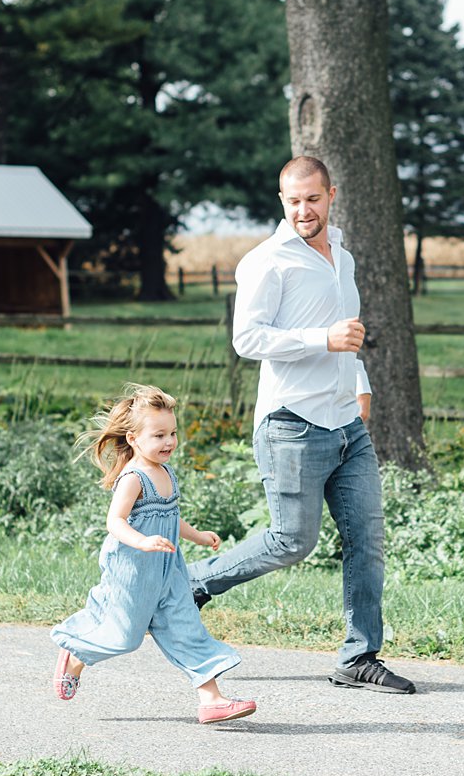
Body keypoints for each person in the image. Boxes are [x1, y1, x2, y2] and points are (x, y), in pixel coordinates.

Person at [187, 155, 416, 695]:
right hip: (292, 424)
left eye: (312, 198)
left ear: (330, 194)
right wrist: (322, 340)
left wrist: (360, 384)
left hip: (345, 426)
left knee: (368, 542)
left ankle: (359, 657)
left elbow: (349, 334)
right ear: (282, 200)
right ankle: (192, 582)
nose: (303, 210)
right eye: (292, 200)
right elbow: (248, 340)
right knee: (292, 540)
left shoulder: (343, 257)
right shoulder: (267, 261)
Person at [51, 384, 256, 724]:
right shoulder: (133, 478)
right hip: (133, 571)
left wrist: (198, 536)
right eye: (159, 435)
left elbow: (171, 517)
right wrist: (142, 542)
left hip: (169, 571)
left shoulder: (167, 474)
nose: (169, 442)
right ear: (132, 438)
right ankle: (74, 655)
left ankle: (212, 699)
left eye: (173, 433)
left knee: (185, 626)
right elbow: (114, 521)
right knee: (124, 638)